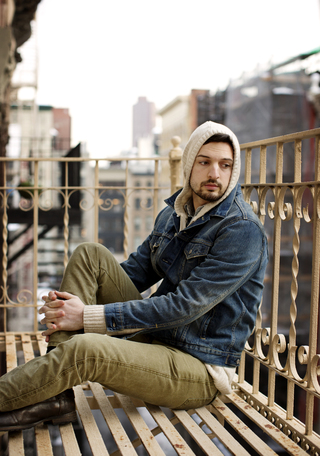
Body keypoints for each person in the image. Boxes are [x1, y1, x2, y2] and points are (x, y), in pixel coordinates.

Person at [0, 121, 268, 431]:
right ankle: (57, 396)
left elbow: (182, 307)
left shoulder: (241, 230)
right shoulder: (174, 213)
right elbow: (136, 271)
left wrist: (86, 316)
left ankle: (48, 387)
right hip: (157, 338)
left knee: (84, 351)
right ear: (189, 163)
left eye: (225, 165)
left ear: (233, 172)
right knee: (90, 255)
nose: (214, 174)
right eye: (205, 162)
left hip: (197, 368)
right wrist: (72, 309)